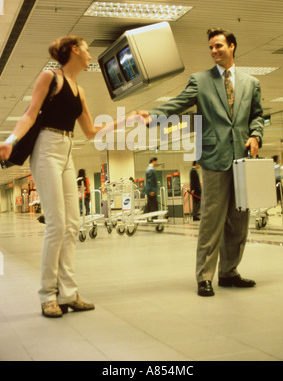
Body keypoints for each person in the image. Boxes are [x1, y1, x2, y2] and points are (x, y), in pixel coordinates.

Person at [0, 35, 123, 317]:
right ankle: (48, 296)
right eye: (87, 50)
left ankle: (69, 293)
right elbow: (30, 114)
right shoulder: (50, 77)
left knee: (72, 224)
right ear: (73, 50)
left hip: (67, 151)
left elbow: (91, 131)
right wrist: (11, 140)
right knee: (56, 225)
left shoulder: (78, 90)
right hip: (46, 148)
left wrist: (127, 120)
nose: (90, 54)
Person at [137, 28, 264, 297]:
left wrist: (255, 136)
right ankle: (204, 277)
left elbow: (256, 116)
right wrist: (154, 116)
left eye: (218, 46)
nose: (214, 51)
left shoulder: (251, 83)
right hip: (213, 158)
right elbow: (179, 103)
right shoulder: (201, 80)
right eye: (210, 47)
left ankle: (229, 272)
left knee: (239, 221)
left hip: (242, 161)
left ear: (232, 46)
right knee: (211, 220)